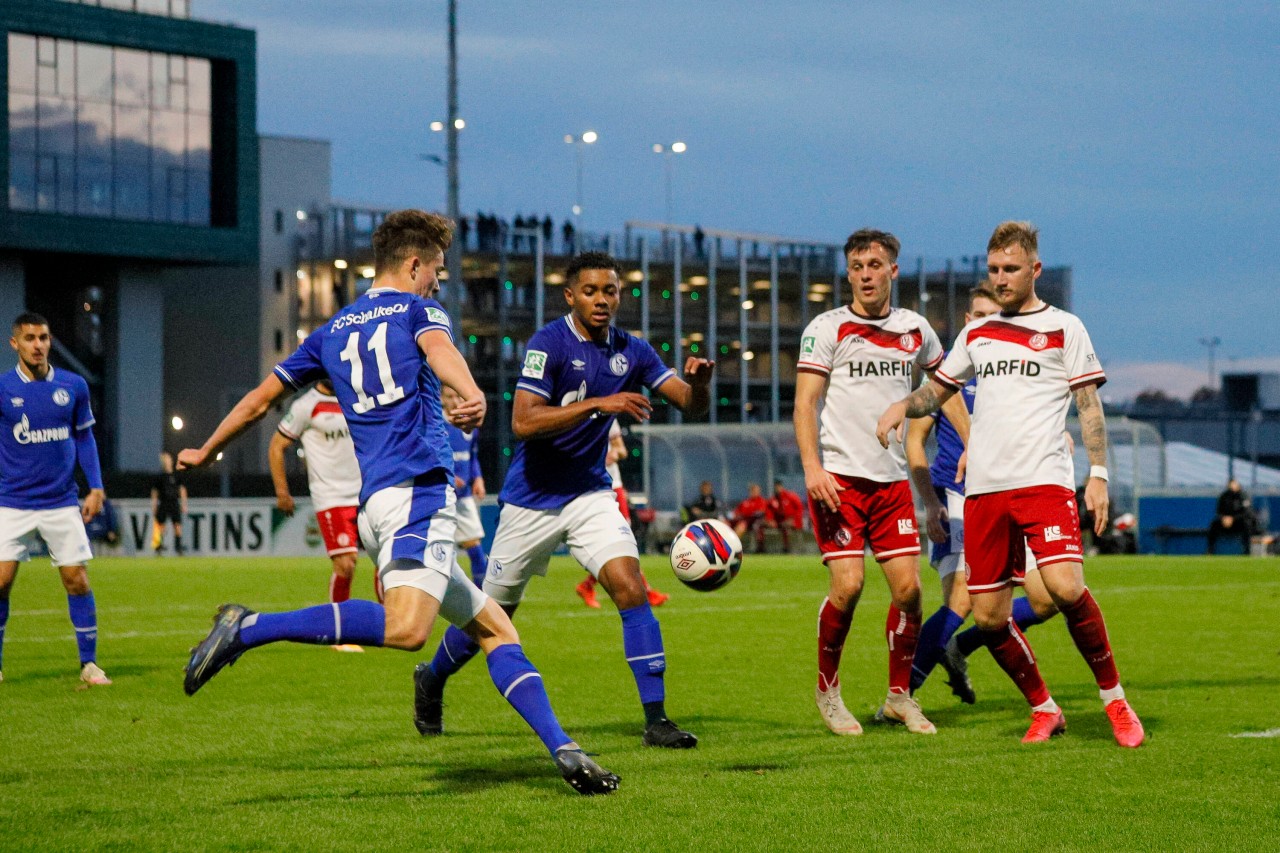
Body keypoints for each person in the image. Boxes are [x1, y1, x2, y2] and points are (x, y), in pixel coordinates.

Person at [178, 210, 619, 795]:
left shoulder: (331, 330)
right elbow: (440, 351)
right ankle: (250, 627)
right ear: (413, 265)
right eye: (436, 270)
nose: (438, 281)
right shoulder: (419, 311)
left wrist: (207, 449)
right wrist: (471, 391)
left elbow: (261, 401)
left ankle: (565, 752)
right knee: (409, 630)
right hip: (418, 495)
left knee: (495, 629)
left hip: (380, 503)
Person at [414, 250, 714, 750]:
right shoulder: (548, 344)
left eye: (611, 291)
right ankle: (433, 676)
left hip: (589, 494)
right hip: (531, 502)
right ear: (570, 296)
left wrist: (701, 385)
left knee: (629, 584)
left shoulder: (632, 350)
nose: (602, 300)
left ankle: (656, 719)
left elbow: (689, 403)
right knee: (492, 616)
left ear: (621, 295)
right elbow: (523, 422)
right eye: (591, 291)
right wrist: (602, 403)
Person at [877, 220, 1144, 747]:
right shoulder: (976, 334)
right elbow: (939, 389)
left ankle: (1115, 701)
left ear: (1034, 270)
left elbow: (1088, 405)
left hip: (1043, 482)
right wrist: (900, 405)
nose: (1001, 278)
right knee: (990, 615)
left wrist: (1099, 475)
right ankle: (1044, 709)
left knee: (1066, 588)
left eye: (1011, 269)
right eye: (994, 269)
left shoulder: (1066, 328)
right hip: (984, 492)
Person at [794, 228, 968, 737]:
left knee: (910, 590)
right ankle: (828, 691)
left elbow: (944, 390)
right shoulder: (827, 328)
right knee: (848, 586)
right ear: (848, 273)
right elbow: (806, 403)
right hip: (840, 480)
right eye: (856, 266)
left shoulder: (916, 330)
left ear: (893, 270)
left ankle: (898, 697)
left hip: (891, 484)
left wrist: (973, 441)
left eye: (874, 264)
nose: (865, 274)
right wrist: (811, 467)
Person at [905, 287, 1059, 704]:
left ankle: (960, 649)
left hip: (1007, 495)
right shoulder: (947, 376)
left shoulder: (1015, 371)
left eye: (994, 313)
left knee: (1047, 598)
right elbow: (914, 441)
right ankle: (901, 697)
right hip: (956, 498)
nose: (985, 320)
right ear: (967, 319)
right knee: (962, 598)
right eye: (978, 313)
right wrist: (930, 503)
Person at [0, 312, 110, 686]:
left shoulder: (73, 386)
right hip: (11, 500)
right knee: (0, 582)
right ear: (15, 344)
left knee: (77, 579)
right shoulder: (2, 389)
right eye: (29, 338)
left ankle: (89, 664)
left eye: (44, 338)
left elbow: (84, 438)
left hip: (61, 502)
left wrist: (95, 486)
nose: (38, 345)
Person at [270, 377, 381, 652]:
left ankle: (391, 624)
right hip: (332, 496)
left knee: (386, 559)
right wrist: (282, 492)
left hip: (367, 492)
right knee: (346, 564)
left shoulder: (356, 398)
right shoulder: (306, 406)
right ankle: (338, 634)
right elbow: (276, 446)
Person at [575, 419, 668, 608]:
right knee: (614, 543)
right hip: (591, 487)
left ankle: (588, 585)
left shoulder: (609, 418)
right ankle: (645, 592)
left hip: (614, 486)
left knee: (624, 541)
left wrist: (610, 455)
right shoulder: (577, 417)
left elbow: (622, 450)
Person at [441, 386, 489, 586]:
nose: (455, 401)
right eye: (450, 396)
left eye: (458, 396)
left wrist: (477, 478)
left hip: (464, 496)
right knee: (440, 557)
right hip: (440, 497)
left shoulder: (469, 425)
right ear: (442, 398)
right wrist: (449, 476)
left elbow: (473, 456)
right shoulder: (436, 423)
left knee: (476, 549)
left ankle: (479, 601)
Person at [150, 451, 187, 555]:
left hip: (174, 503)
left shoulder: (177, 475)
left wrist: (184, 504)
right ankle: (158, 547)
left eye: (168, 459)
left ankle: (178, 548)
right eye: (164, 460)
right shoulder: (160, 477)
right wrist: (154, 506)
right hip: (163, 503)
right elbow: (155, 492)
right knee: (160, 526)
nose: (166, 462)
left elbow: (182, 490)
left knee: (177, 525)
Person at [1208, 479, 1255, 555]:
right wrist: (1224, 518)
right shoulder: (1224, 496)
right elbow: (1218, 511)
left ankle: (1247, 551)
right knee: (1214, 524)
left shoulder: (1243, 496)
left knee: (1247, 524)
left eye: (1234, 484)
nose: (1232, 487)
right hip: (1226, 523)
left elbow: (1247, 512)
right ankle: (1210, 550)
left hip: (1239, 522)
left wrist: (1233, 518)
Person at [767, 479, 805, 553]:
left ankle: (788, 548)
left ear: (781, 486)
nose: (777, 488)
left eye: (779, 486)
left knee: (786, 526)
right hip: (779, 522)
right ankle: (761, 549)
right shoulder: (773, 499)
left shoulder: (791, 496)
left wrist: (794, 520)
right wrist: (770, 520)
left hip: (793, 521)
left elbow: (799, 509)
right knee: (759, 525)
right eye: (776, 486)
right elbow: (769, 511)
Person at [732, 483, 771, 553]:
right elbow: (736, 513)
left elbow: (761, 513)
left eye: (756, 491)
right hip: (743, 520)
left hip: (754, 521)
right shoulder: (745, 502)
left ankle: (760, 547)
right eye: (752, 491)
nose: (754, 492)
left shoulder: (762, 501)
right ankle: (731, 546)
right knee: (729, 523)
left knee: (745, 526)